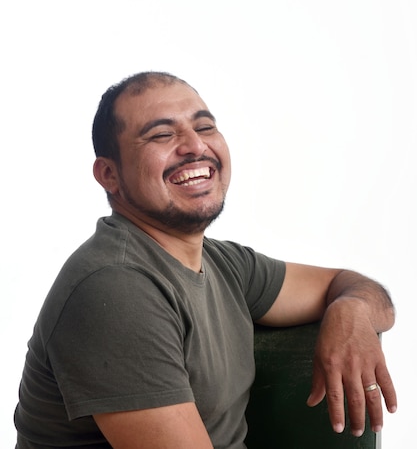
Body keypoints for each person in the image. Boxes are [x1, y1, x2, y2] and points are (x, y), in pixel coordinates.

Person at [14, 71, 397, 449]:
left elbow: (352, 287)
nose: (195, 146)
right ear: (109, 174)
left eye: (206, 127)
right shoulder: (115, 288)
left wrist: (353, 312)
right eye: (162, 134)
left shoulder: (225, 264)